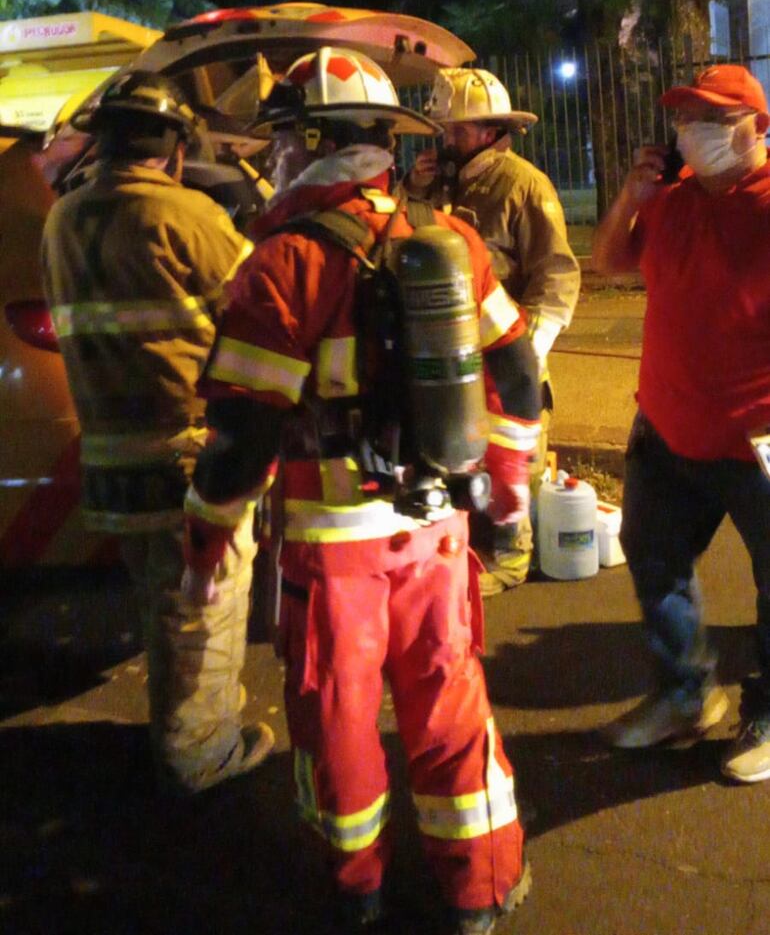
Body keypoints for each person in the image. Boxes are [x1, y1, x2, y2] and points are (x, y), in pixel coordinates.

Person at [181, 46, 542, 934]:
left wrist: (203, 551)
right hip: (436, 526)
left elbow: (240, 441)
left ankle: (359, 888)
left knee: (338, 716)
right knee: (451, 703)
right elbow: (520, 375)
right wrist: (508, 485)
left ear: (309, 142)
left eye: (279, 142)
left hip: (330, 543)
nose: (271, 160)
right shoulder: (449, 238)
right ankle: (480, 889)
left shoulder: (278, 267)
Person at [40, 69, 273, 794]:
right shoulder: (187, 216)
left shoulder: (61, 220)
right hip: (185, 453)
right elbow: (256, 309)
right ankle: (197, 750)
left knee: (160, 599)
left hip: (108, 455)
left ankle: (189, 716)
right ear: (173, 147)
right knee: (202, 604)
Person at [592, 63, 770, 781]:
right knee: (654, 558)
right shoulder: (671, 201)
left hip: (756, 437)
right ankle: (687, 695)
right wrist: (632, 198)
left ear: (757, 127)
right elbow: (609, 262)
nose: (694, 133)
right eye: (686, 119)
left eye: (714, 119)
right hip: (664, 425)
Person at [404, 67, 580, 596]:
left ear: (489, 129)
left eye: (457, 130)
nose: (445, 138)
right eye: (444, 128)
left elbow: (557, 275)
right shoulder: (434, 183)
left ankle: (511, 555)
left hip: (506, 355)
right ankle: (461, 547)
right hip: (451, 353)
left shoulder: (522, 185)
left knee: (511, 462)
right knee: (454, 453)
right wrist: (411, 189)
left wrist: (530, 352)